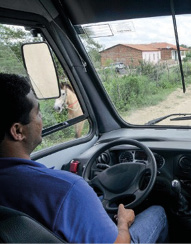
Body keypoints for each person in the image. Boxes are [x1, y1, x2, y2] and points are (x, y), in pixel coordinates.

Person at [0, 73, 168, 243]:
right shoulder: (68, 190)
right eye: (38, 113)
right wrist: (123, 223)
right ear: (18, 131)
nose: (41, 120)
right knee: (158, 213)